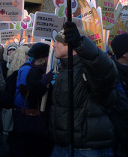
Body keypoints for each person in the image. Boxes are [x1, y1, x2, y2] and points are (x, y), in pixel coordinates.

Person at [50, 22, 117, 156]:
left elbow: (106, 71)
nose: (54, 45)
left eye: (58, 42)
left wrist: (80, 43)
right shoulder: (64, 69)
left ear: (71, 45)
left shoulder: (87, 69)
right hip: (62, 146)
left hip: (86, 149)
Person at [12, 42, 53, 157]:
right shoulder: (34, 71)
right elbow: (30, 93)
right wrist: (43, 83)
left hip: (40, 117)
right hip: (34, 117)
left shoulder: (41, 70)